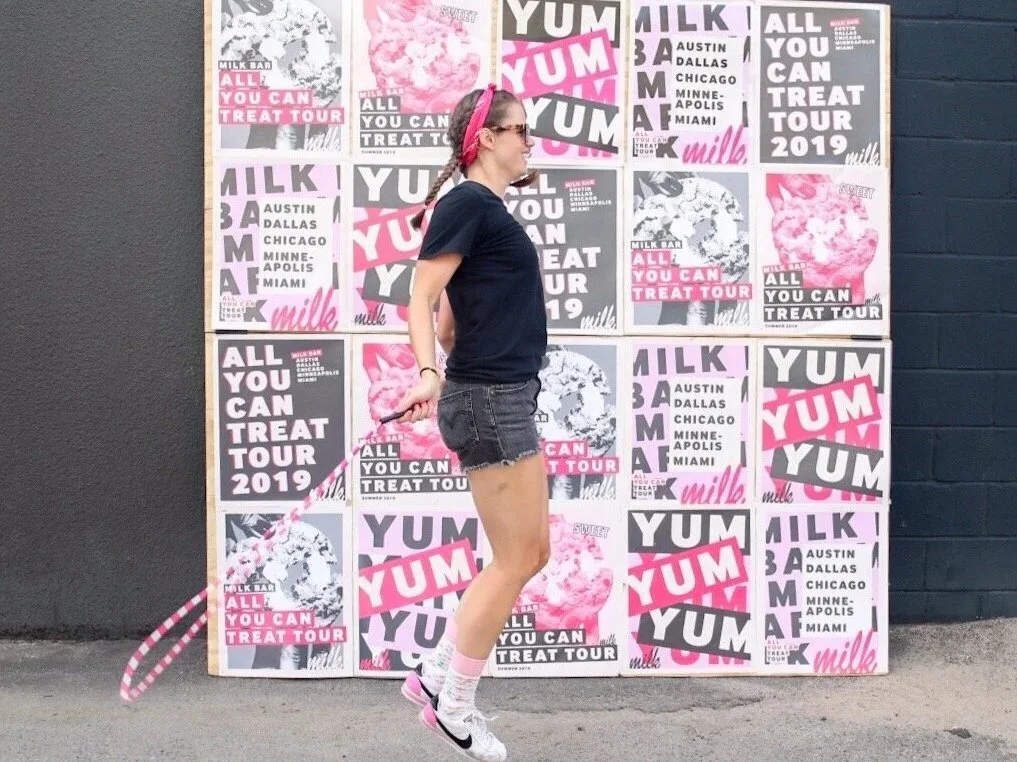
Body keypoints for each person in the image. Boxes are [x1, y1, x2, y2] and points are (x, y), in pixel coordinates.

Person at [394, 84, 550, 762]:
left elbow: (453, 315)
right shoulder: (467, 202)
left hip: (499, 393)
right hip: (489, 399)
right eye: (518, 130)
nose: (527, 142)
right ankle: (452, 702)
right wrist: (431, 376)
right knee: (517, 557)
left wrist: (455, 363)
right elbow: (422, 295)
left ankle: (436, 674)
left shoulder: (486, 210)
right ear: (485, 136)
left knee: (530, 554)